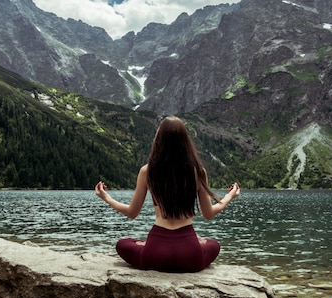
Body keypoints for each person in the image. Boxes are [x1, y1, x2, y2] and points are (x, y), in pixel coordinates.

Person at [94, 116, 240, 272]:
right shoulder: (198, 171)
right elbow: (209, 214)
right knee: (213, 244)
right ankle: (191, 244)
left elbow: (132, 212)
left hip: (155, 252)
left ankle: (148, 245)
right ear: (185, 141)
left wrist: (106, 197)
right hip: (190, 254)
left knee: (123, 243)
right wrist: (229, 196)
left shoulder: (147, 171)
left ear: (159, 140)